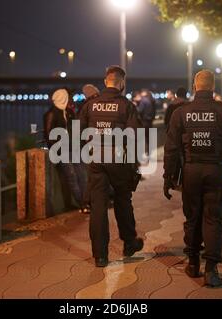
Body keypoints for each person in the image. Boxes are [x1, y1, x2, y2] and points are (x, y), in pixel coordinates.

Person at [163, 70, 222, 287]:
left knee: (192, 218)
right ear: (213, 87)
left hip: (191, 171)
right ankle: (211, 270)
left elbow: (170, 149)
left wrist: (168, 177)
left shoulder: (181, 113)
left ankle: (192, 263)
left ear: (194, 87)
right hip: (216, 171)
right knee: (213, 219)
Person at [80, 65, 144, 267]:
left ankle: (100, 256)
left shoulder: (90, 105)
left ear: (105, 81)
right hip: (118, 159)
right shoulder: (127, 106)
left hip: (96, 159)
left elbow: (78, 133)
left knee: (98, 206)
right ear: (122, 83)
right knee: (123, 200)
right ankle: (129, 243)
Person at [44, 88, 88, 213]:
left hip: (74, 148)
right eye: (68, 97)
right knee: (72, 177)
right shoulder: (51, 114)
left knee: (82, 175)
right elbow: (48, 135)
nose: (70, 99)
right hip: (62, 151)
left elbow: (75, 129)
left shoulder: (69, 112)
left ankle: (86, 202)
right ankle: (82, 204)